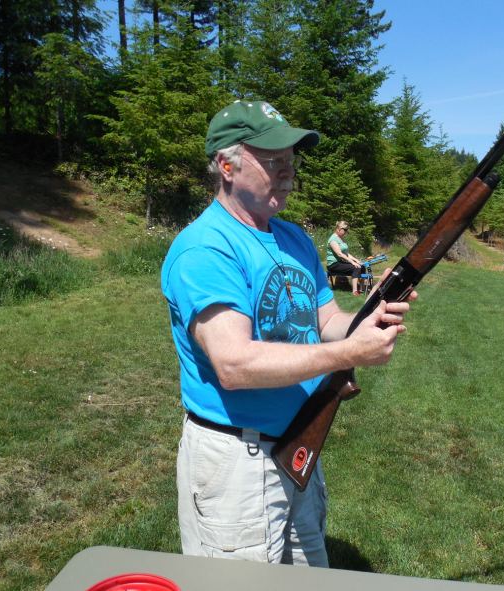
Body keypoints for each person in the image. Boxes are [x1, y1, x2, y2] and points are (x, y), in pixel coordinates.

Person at [161, 99, 416, 567]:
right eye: (273, 162)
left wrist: (370, 311)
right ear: (226, 165)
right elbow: (234, 365)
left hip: (299, 444)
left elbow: (328, 325)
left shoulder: (294, 238)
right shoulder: (205, 248)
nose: (287, 173)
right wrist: (346, 354)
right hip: (238, 458)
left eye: (291, 163)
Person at [326, 220, 366, 295]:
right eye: (345, 230)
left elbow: (346, 253)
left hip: (340, 262)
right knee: (356, 267)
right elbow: (340, 254)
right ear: (338, 229)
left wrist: (356, 260)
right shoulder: (332, 240)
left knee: (362, 266)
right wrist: (352, 262)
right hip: (334, 264)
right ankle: (355, 291)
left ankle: (362, 288)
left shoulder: (341, 238)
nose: (346, 232)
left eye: (347, 230)